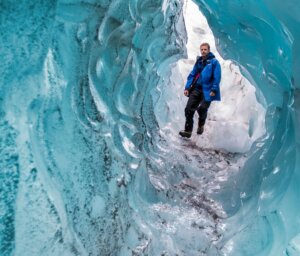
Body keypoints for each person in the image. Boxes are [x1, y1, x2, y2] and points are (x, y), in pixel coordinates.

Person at [179, 43, 221, 138]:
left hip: (208, 90)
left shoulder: (214, 62)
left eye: (205, 49)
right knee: (189, 109)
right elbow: (193, 74)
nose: (203, 51)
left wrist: (214, 89)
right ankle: (188, 131)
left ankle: (201, 125)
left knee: (202, 108)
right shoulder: (199, 61)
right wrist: (187, 87)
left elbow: (217, 77)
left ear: (209, 50)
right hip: (197, 89)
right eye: (201, 49)